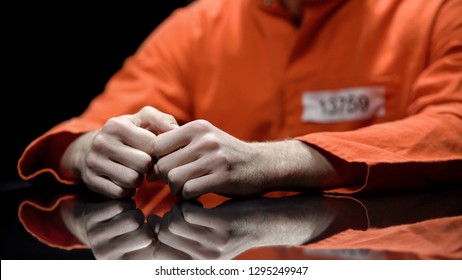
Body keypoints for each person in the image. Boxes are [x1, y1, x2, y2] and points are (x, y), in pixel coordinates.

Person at [18, 0, 462, 201]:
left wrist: (277, 161)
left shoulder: (439, 10)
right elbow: (85, 132)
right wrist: (89, 151)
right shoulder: (196, 27)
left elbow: (453, 128)